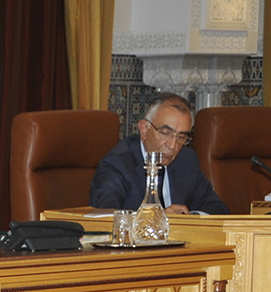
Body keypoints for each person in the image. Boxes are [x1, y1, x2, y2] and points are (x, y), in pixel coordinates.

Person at [90, 92, 229, 215]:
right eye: (165, 133)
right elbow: (106, 218)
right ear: (144, 129)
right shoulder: (117, 164)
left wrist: (187, 219)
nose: (172, 146)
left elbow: (218, 208)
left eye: (181, 137)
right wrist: (158, 219)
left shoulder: (186, 159)